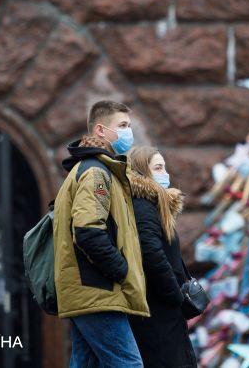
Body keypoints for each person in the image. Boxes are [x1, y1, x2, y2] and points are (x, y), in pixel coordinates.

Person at [53, 100, 149, 368]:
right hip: (99, 290)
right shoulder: (96, 172)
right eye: (123, 126)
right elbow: (87, 231)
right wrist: (121, 271)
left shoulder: (93, 169)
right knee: (129, 364)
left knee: (85, 363)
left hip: (89, 290)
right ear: (100, 130)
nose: (129, 132)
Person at [127, 146, 197, 368]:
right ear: (142, 172)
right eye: (158, 168)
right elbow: (151, 254)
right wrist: (175, 295)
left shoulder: (154, 206)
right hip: (158, 309)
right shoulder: (143, 207)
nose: (165, 174)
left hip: (163, 308)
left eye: (164, 167)